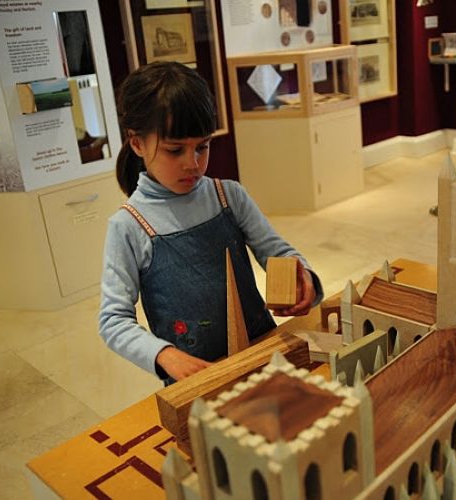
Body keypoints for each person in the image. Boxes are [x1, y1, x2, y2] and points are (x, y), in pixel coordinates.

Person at [99, 62, 323, 385]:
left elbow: (278, 252)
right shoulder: (128, 226)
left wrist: (305, 279)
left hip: (263, 353)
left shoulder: (228, 195)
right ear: (137, 144)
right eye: (175, 150)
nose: (193, 164)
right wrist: (164, 355)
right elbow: (113, 320)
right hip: (196, 378)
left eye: (202, 147)